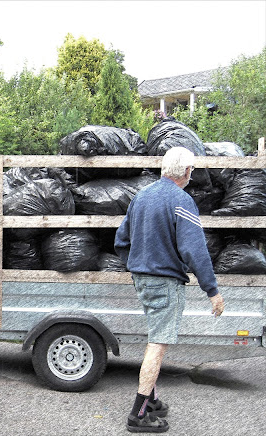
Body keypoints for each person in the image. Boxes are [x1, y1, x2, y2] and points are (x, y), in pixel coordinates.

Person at [114, 146, 225, 433]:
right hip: (165, 282)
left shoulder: (141, 197)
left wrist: (139, 265)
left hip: (142, 279)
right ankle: (138, 414)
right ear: (187, 172)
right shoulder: (181, 201)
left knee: (155, 338)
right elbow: (195, 250)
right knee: (158, 346)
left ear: (165, 169)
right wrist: (212, 291)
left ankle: (151, 400)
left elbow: (121, 240)